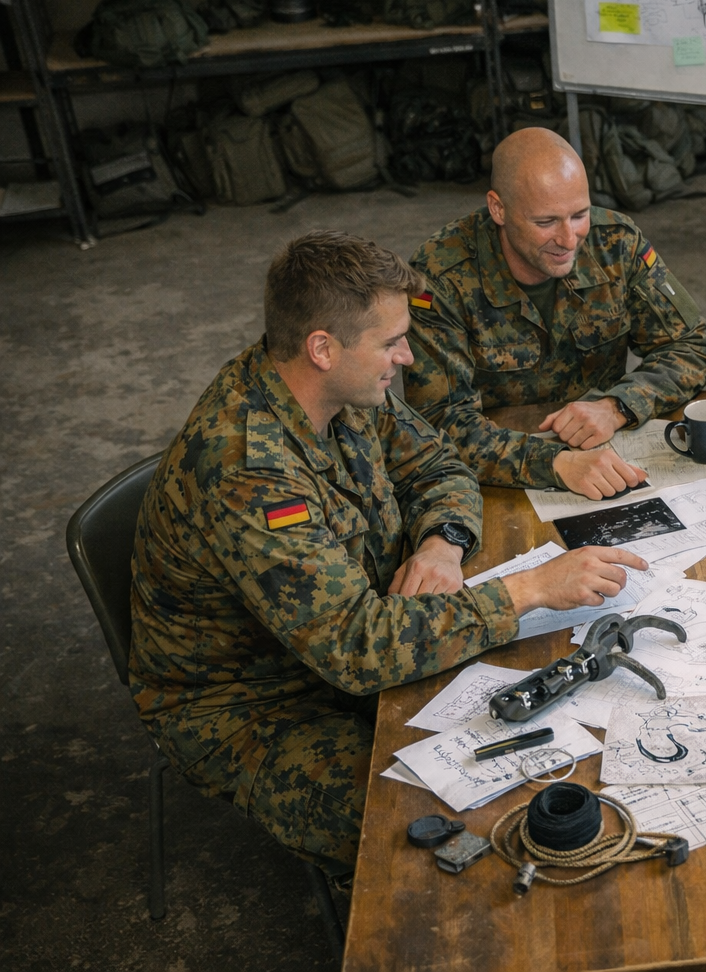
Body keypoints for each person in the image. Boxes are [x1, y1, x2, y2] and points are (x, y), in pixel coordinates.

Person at [129, 231, 649, 880]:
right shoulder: (248, 470)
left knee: (548, 752)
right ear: (322, 347)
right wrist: (529, 591)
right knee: (469, 829)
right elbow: (355, 649)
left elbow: (440, 463)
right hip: (255, 708)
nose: (405, 358)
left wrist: (442, 543)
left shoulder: (333, 389)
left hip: (363, 629)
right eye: (390, 342)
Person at [405, 127, 706, 500]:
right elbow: (439, 422)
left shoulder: (614, 243)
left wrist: (618, 405)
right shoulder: (440, 278)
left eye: (579, 215)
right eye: (546, 222)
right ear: (498, 209)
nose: (569, 240)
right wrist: (554, 463)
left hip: (607, 454)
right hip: (496, 475)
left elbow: (692, 345)